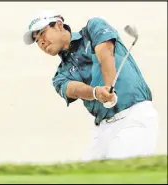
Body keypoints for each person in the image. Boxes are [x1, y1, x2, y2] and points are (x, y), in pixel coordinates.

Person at [23, 10, 159, 161]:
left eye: (42, 33)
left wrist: (108, 87)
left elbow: (105, 53)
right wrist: (95, 92)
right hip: (102, 129)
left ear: (59, 25)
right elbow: (73, 89)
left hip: (134, 117)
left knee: (118, 173)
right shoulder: (60, 75)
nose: (40, 42)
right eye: (36, 40)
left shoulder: (93, 28)